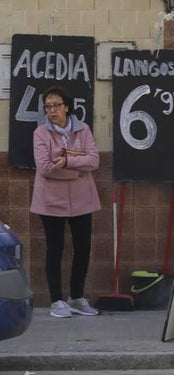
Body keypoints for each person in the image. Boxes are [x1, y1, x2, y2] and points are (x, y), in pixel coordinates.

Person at [30, 85, 101, 319]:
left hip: (82, 200)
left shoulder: (83, 130)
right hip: (51, 201)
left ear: (67, 107)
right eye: (48, 106)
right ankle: (56, 301)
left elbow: (94, 161)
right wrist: (77, 168)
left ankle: (77, 298)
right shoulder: (41, 133)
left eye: (57, 105)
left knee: (83, 248)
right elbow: (45, 168)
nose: (52, 111)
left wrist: (68, 161)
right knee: (55, 249)